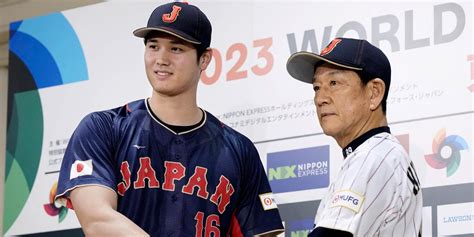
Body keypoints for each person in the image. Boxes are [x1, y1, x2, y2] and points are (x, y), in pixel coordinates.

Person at [55, 2, 284, 236]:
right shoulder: (103, 128)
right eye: (153, 46)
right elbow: (97, 220)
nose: (161, 59)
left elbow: (264, 232)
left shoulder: (239, 149)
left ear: (204, 59)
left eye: (176, 49)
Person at [286, 38, 423, 236]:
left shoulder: (372, 157)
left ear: (374, 93)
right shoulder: (382, 153)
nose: (320, 98)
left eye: (334, 83)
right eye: (316, 87)